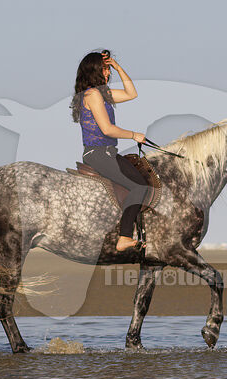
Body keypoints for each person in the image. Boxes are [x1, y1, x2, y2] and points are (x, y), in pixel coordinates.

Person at [70, 49, 149, 252]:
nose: (107, 73)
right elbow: (107, 129)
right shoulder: (93, 95)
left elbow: (132, 93)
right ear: (94, 70)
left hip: (107, 152)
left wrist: (118, 67)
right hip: (98, 153)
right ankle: (124, 237)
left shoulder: (102, 94)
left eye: (108, 69)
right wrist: (134, 135)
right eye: (104, 69)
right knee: (140, 186)